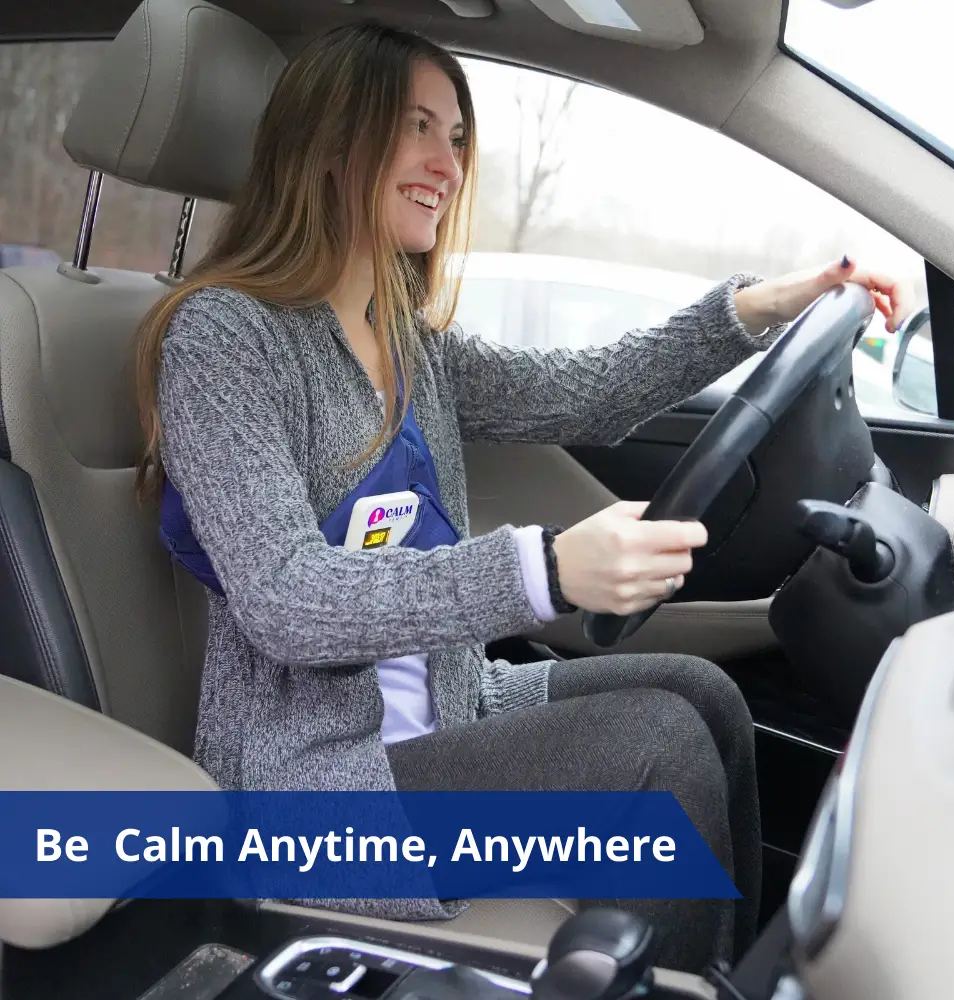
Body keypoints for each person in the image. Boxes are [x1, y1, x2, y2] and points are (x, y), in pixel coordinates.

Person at [133, 20, 912, 974]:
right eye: (416, 127)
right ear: (331, 145)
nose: (447, 164)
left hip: (447, 715)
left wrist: (759, 308)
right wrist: (541, 569)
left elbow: (586, 388)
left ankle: (722, 980)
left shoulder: (409, 341)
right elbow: (287, 602)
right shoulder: (222, 340)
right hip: (309, 792)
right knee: (653, 749)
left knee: (702, 694)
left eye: (456, 138)